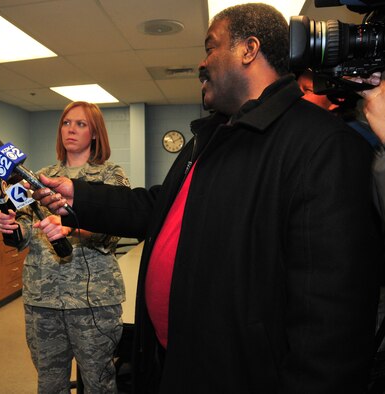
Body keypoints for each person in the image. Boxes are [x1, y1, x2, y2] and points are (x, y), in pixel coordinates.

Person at [30, 4, 383, 393]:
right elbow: (157, 206)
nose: (202, 62)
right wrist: (78, 193)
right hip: (179, 360)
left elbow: (330, 324)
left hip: (239, 373)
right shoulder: (213, 135)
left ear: (249, 49)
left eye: (211, 47)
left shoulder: (321, 145)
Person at [0, 101, 130, 393]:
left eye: (81, 124)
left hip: (93, 300)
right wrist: (10, 226)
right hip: (43, 299)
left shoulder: (110, 176)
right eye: (67, 123)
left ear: (95, 133)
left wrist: (72, 227)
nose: (71, 129)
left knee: (99, 382)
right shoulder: (38, 176)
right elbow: (25, 229)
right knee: (49, 382)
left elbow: (114, 232)